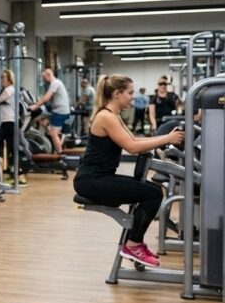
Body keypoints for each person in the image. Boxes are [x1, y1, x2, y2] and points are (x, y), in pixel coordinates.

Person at [74, 74, 183, 268]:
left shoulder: (113, 115)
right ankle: (133, 245)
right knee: (152, 194)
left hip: (100, 178)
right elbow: (132, 147)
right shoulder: (106, 117)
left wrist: (165, 139)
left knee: (152, 190)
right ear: (117, 94)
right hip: (91, 181)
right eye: (130, 93)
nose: (133, 97)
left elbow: (135, 141)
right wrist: (168, 138)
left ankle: (135, 243)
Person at [29, 68, 70, 154]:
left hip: (60, 111)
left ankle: (60, 154)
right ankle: (57, 135)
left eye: (44, 77)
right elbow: (46, 99)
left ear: (48, 75)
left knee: (53, 133)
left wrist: (36, 106)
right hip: (54, 109)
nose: (43, 79)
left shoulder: (55, 83)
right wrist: (36, 103)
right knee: (38, 119)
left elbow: (47, 97)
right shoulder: (53, 83)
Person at [0, 69, 17, 177]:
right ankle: (8, 169)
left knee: (7, 145)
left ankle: (11, 170)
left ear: (9, 79)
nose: (2, 80)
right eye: (1, 77)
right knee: (8, 146)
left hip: (9, 121)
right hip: (6, 121)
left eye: (3, 77)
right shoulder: (8, 89)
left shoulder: (9, 90)